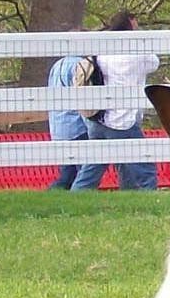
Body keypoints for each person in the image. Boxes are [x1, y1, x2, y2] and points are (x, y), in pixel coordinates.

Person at [71, 10, 162, 191]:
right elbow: (154, 62)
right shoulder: (135, 53)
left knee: (93, 168)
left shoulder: (103, 50)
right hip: (122, 120)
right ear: (131, 22)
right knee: (144, 168)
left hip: (99, 117)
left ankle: (77, 196)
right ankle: (151, 199)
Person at [45, 51, 90, 189]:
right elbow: (82, 98)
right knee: (80, 173)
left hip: (59, 127)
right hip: (76, 127)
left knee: (69, 172)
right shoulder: (79, 66)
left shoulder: (57, 65)